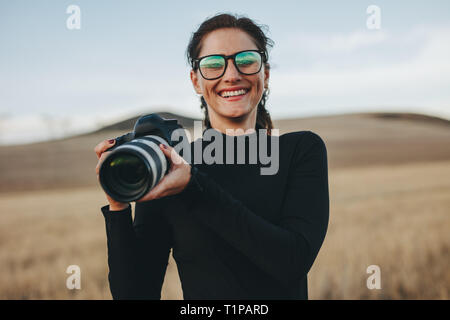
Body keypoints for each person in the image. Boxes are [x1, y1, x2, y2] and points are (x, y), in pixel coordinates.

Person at [94, 13, 329, 300]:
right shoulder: (169, 165)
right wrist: (118, 204)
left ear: (265, 74)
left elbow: (292, 261)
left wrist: (194, 187)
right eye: (214, 64)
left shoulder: (300, 150)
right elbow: (135, 295)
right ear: (196, 80)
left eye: (246, 60)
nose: (231, 75)